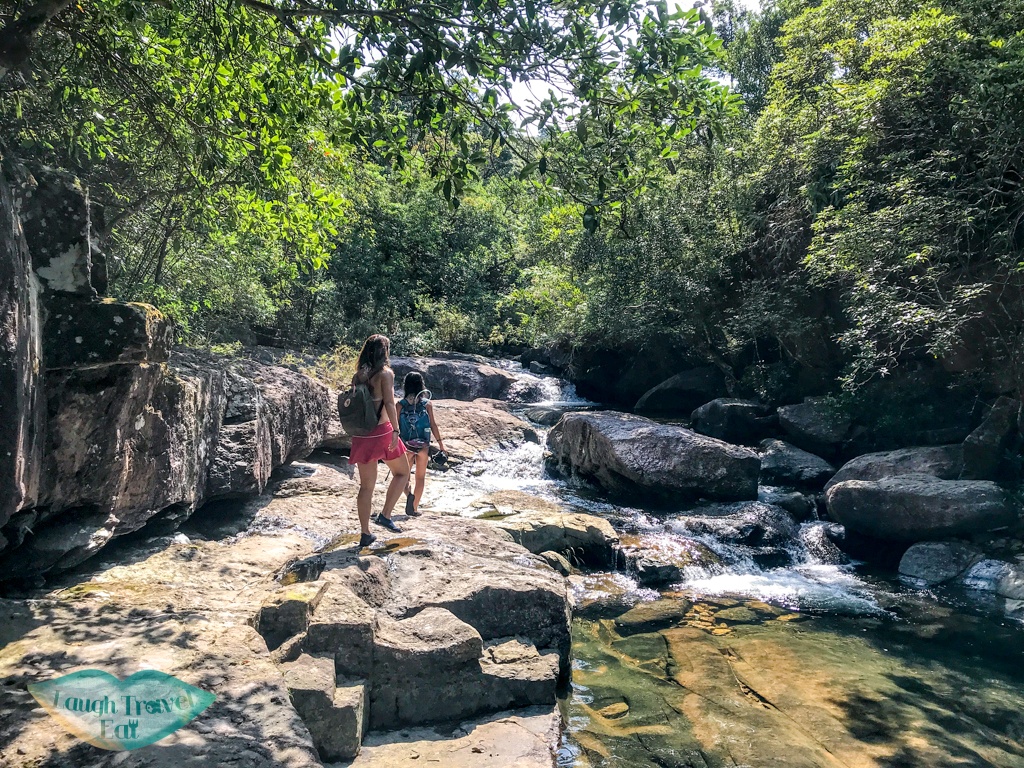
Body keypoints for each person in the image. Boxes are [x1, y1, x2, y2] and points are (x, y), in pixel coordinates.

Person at [347, 334, 410, 547]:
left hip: (362, 433)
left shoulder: (359, 376)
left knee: (366, 487)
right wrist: (396, 430)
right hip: (382, 432)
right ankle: (385, 515)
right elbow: (390, 404)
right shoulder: (385, 374)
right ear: (385, 352)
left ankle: (365, 533)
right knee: (402, 472)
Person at [398, 372, 447, 516]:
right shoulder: (427, 404)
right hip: (423, 447)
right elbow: (433, 425)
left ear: (406, 385)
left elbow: (395, 426)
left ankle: (409, 496)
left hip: (406, 446)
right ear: (421, 385)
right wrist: (441, 445)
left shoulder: (400, 405)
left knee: (403, 477)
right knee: (420, 477)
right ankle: (414, 508)